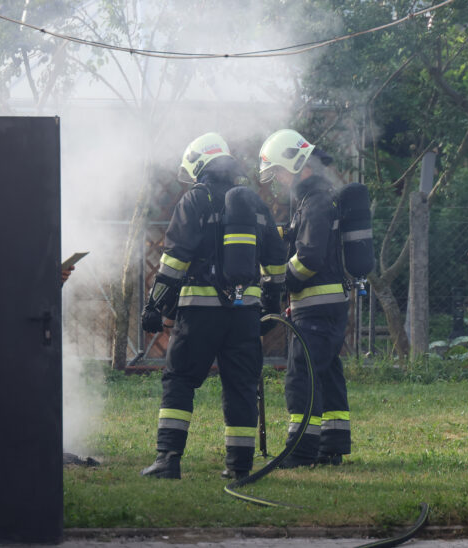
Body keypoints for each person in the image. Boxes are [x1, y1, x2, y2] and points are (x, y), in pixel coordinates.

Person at [139, 132, 286, 480]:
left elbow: (175, 258)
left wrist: (155, 305)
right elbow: (276, 260)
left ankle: (168, 459)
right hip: (245, 313)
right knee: (241, 386)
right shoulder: (252, 202)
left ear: (199, 165)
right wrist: (270, 304)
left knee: (179, 380)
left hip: (200, 313)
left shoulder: (195, 199)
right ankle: (240, 468)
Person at [258, 129, 350, 468]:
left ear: (297, 165)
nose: (280, 180)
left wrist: (280, 281)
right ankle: (332, 443)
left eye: (280, 171)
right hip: (321, 307)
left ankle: (300, 450)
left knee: (302, 376)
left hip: (317, 308)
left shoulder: (317, 202)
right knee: (325, 374)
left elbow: (310, 256)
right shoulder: (315, 199)